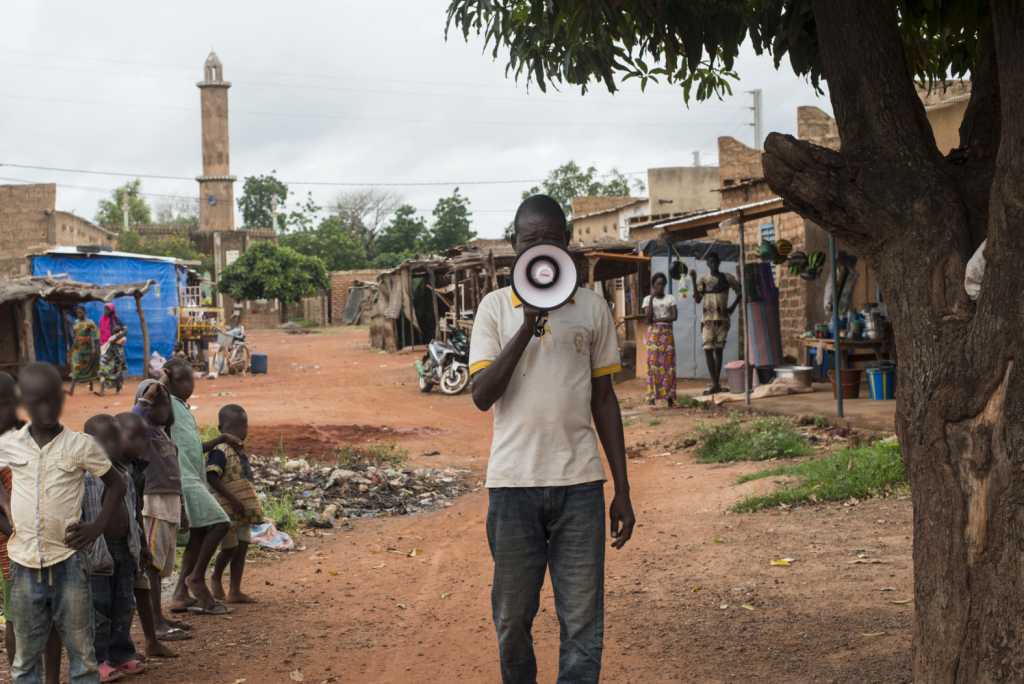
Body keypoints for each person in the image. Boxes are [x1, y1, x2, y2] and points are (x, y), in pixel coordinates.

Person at [468, 194, 636, 684]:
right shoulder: (495, 308)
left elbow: (604, 400)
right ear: (514, 244)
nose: (540, 249)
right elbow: (482, 395)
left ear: (566, 244)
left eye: (551, 240)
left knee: (582, 623)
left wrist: (622, 489)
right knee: (511, 620)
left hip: (580, 486)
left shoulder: (592, 308)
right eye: (529, 241)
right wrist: (527, 326)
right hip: (512, 486)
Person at [0, 362, 127, 684]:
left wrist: (96, 527)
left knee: (81, 651)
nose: (45, 407)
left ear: (61, 398)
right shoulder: (10, 443)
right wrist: (5, 505)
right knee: (26, 655)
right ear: (24, 402)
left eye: (51, 399)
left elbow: (117, 485)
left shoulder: (81, 445)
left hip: (69, 561)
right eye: (36, 400)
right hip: (23, 563)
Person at [0, 373, 64, 684]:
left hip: (49, 542)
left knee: (50, 616)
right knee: (17, 619)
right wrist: (16, 532)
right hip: (13, 548)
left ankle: (51, 679)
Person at [160, 357, 235, 615]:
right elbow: (147, 398)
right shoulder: (165, 402)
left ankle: (180, 594)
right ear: (169, 379)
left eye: (191, 379)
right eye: (180, 380)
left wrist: (222, 438)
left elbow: (194, 447)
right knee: (221, 522)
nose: (189, 385)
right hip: (184, 479)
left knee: (199, 532)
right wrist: (162, 378)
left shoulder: (184, 409)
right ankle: (196, 578)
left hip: (194, 477)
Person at [81, 415, 147, 682]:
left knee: (124, 605)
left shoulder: (123, 475)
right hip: (97, 554)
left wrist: (141, 545)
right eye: (106, 440)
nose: (114, 445)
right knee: (99, 608)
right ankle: (96, 662)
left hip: (124, 549)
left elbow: (133, 513)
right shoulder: (85, 477)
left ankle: (120, 655)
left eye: (117, 439)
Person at [114, 411, 180, 659]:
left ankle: (151, 642)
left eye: (144, 437)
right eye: (134, 437)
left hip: (132, 542)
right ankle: (115, 652)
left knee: (140, 589)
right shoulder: (108, 470)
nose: (141, 443)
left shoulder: (137, 469)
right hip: (113, 545)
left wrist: (142, 544)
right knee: (117, 600)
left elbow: (136, 510)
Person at [130, 380, 191, 642]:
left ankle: (159, 616)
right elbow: (133, 419)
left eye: (166, 404)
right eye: (156, 404)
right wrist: (147, 397)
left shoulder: (166, 435)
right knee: (152, 567)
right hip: (153, 504)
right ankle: (154, 622)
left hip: (170, 504)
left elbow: (177, 476)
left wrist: (183, 508)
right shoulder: (142, 432)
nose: (163, 409)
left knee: (161, 565)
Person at [206, 405, 262, 604]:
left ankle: (235, 591)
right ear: (221, 429)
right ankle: (216, 576)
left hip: (242, 512)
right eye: (234, 428)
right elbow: (211, 476)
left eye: (243, 426)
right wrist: (232, 498)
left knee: (242, 548)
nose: (240, 432)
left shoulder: (240, 451)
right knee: (230, 548)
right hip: (227, 510)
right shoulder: (219, 450)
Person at [690, 252, 742, 394]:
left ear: (719, 262)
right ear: (707, 264)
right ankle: (714, 383)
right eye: (710, 262)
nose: (713, 264)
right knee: (708, 349)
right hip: (707, 320)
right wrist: (693, 280)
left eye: (715, 261)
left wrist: (732, 308)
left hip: (722, 320)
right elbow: (697, 300)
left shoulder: (727, 278)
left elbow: (740, 292)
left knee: (718, 350)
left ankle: (716, 383)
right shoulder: (702, 279)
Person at [643, 272, 679, 410]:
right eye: (658, 284)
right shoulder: (647, 299)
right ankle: (651, 401)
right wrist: (652, 298)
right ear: (653, 285)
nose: (660, 287)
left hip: (667, 334)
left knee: (669, 366)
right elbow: (648, 318)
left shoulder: (670, 298)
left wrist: (656, 320)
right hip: (653, 335)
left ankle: (670, 400)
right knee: (653, 365)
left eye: (663, 284)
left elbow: (674, 317)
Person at [68, 306, 102, 397]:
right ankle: (71, 389)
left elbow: (93, 335)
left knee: (88, 366)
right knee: (76, 365)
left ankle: (91, 387)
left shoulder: (89, 323)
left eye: (80, 312)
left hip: (87, 348)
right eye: (77, 313)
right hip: (77, 348)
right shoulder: (76, 322)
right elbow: (74, 334)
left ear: (84, 312)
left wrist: (93, 348)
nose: (79, 314)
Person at [98, 326, 128, 395]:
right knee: (103, 369)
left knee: (118, 372)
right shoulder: (118, 337)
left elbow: (125, 330)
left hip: (116, 355)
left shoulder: (118, 337)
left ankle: (117, 390)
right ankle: (102, 389)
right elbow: (125, 330)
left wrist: (115, 338)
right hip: (111, 355)